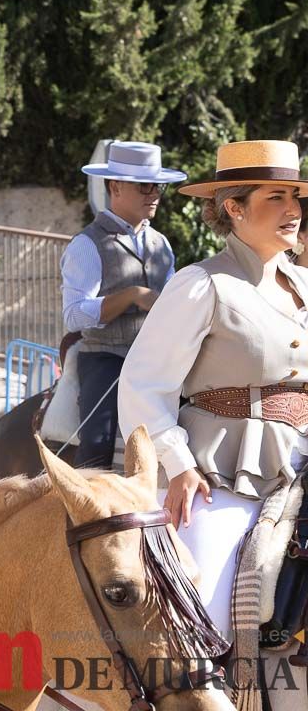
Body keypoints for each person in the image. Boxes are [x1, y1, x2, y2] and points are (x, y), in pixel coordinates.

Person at [120, 139, 308, 639]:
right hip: (221, 470)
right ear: (234, 207)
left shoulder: (304, 286)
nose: (293, 209)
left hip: (301, 457)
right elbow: (144, 384)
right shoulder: (201, 285)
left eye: (295, 196)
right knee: (203, 611)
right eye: (275, 198)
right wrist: (178, 467)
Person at [61, 141, 183, 469]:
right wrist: (131, 295)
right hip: (105, 358)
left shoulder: (162, 244)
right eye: (145, 186)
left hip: (155, 360)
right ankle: (83, 511)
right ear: (116, 187)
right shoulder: (87, 244)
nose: (154, 193)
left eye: (158, 186)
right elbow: (74, 315)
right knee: (97, 442)